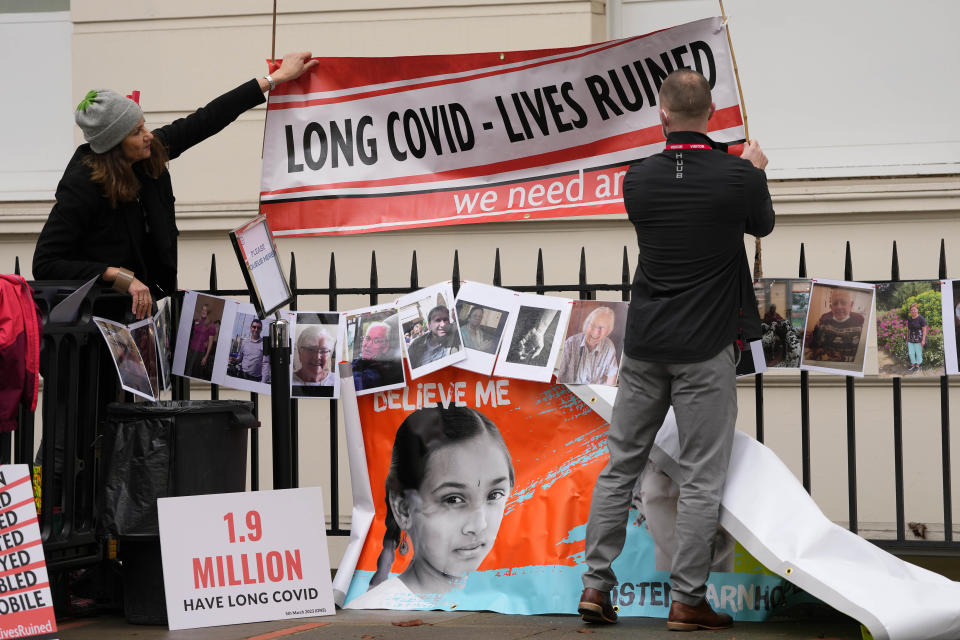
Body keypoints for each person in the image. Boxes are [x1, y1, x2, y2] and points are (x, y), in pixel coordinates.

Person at [578, 69, 774, 632]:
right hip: (705, 348)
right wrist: (755, 171)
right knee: (701, 476)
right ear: (711, 112)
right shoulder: (739, 176)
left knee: (621, 466)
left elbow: (675, 203)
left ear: (661, 115)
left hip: (644, 345)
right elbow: (761, 225)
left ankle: (595, 586)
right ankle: (687, 600)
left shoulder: (637, 179)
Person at [32, 52, 319, 320]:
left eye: (144, 125)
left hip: (142, 311)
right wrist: (118, 275)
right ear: (114, 146)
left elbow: (207, 118)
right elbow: (46, 263)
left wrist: (276, 78)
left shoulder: (148, 154)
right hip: (96, 325)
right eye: (137, 132)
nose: (148, 136)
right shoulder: (82, 186)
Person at [346, 405, 514, 609]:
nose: (479, 525)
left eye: (494, 495)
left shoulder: (506, 600)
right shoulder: (375, 608)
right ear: (403, 509)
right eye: (453, 499)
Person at [556, 306, 619, 385]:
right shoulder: (570, 343)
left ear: (608, 331)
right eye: (593, 325)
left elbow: (612, 375)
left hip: (594, 395)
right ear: (586, 325)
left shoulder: (609, 347)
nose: (596, 332)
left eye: (601, 328)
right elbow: (557, 374)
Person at [806, 288, 866, 363]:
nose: (839, 306)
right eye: (835, 303)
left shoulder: (860, 321)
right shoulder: (823, 319)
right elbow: (814, 343)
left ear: (851, 305)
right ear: (831, 307)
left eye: (843, 303)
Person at [352, 321, 404, 392]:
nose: (368, 345)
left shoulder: (376, 374)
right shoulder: (358, 361)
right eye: (367, 338)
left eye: (376, 340)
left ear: (385, 347)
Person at [184, 302, 217, 379]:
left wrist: (205, 357)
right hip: (191, 349)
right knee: (187, 370)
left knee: (195, 373)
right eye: (202, 309)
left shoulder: (211, 326)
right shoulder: (197, 320)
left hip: (200, 352)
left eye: (205, 310)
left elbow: (211, 343)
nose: (203, 311)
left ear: (208, 313)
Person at [905, 303, 928, 374]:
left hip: (919, 339)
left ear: (917, 310)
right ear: (910, 311)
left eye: (914, 310)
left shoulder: (921, 318)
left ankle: (917, 365)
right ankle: (913, 364)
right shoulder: (909, 319)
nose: (913, 311)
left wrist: (923, 340)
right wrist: (907, 338)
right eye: (912, 310)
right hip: (910, 339)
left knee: (918, 353)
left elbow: (924, 330)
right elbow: (908, 329)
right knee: (911, 353)